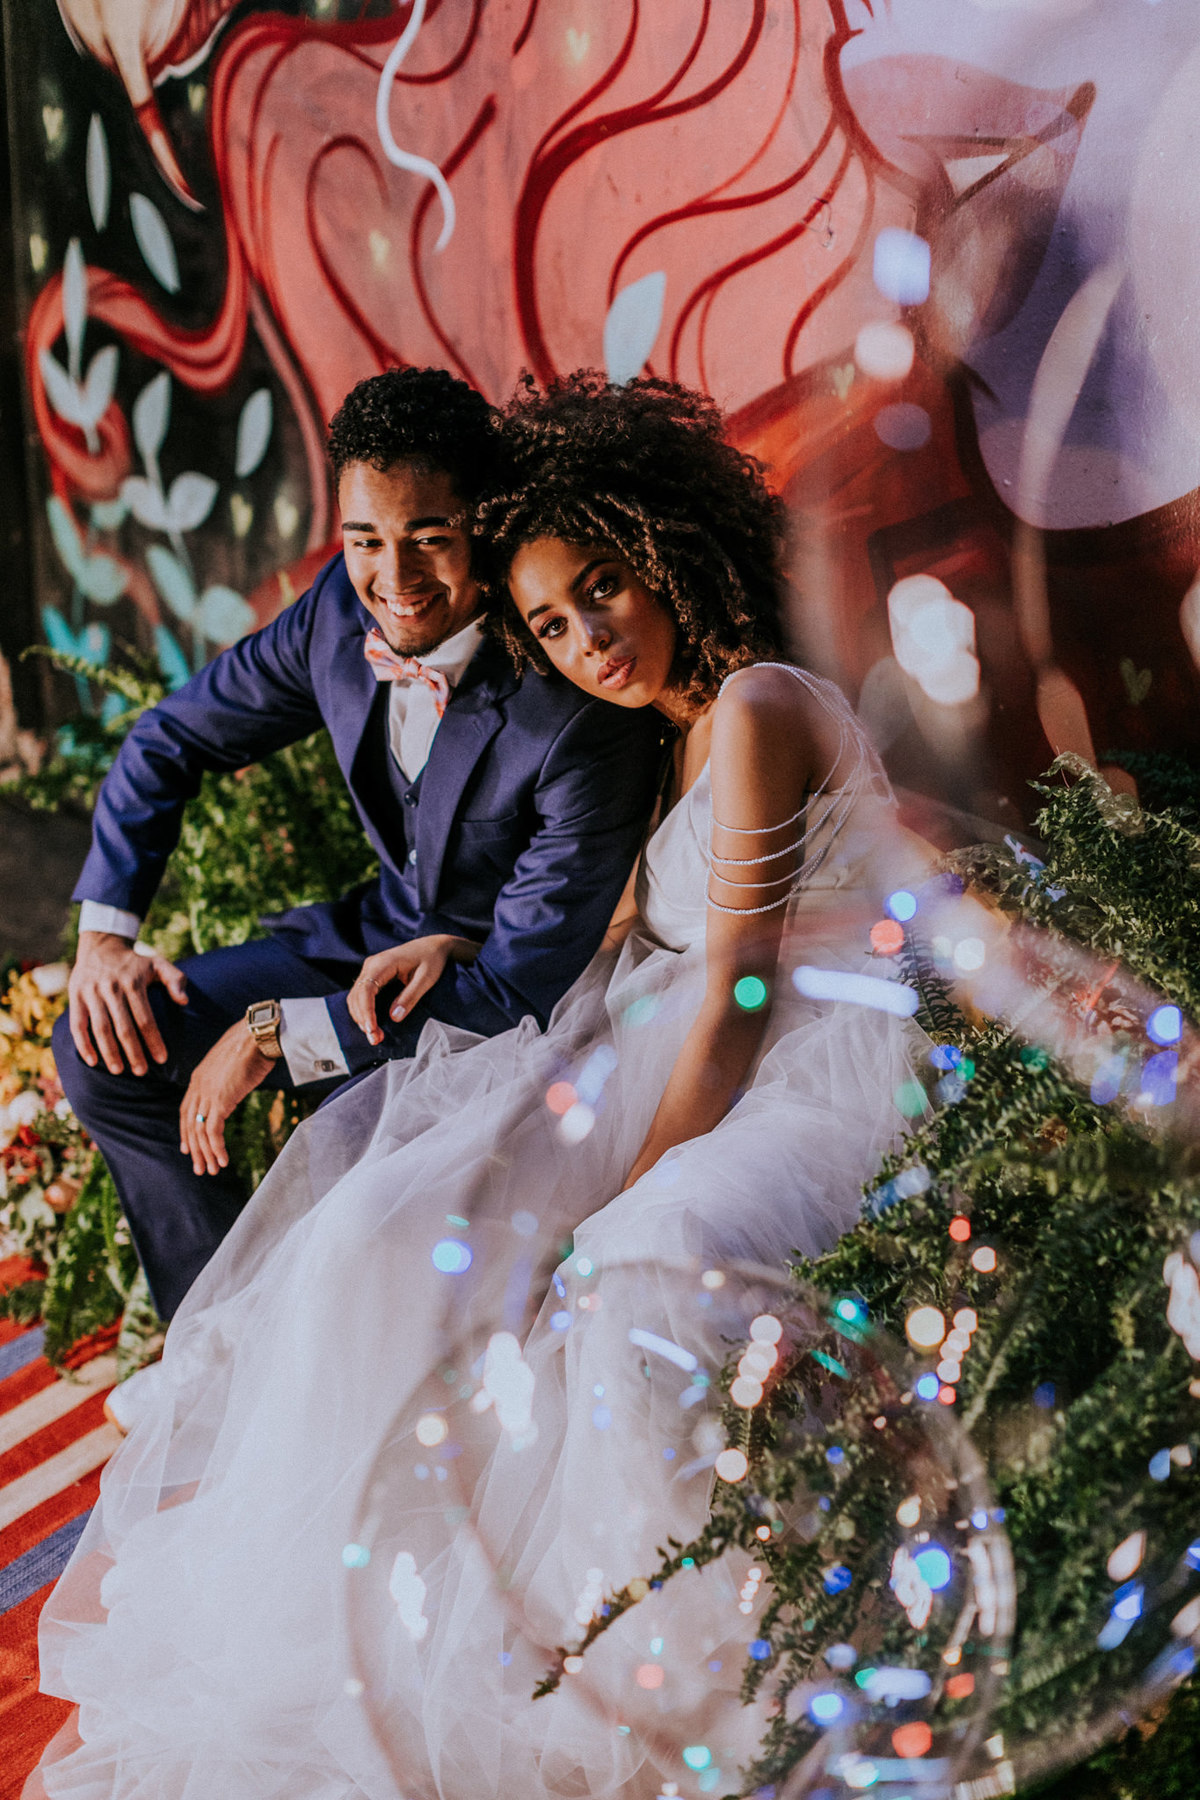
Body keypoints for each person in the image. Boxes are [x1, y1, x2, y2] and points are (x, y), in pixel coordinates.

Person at [32, 375, 923, 1800]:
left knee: (577, 1246)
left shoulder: (691, 712)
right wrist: (118, 936)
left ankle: (644, 1661)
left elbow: (729, 985)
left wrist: (615, 1178)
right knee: (325, 1193)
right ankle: (265, 1432)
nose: (581, 641)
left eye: (599, 597)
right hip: (559, 987)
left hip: (758, 1052)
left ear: (667, 550)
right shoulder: (620, 700)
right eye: (554, 622)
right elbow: (626, 918)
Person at [54, 366, 663, 1320]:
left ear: (486, 523)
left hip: (498, 1006)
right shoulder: (339, 614)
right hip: (360, 945)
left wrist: (272, 1034)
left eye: (430, 537)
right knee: (101, 1050)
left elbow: (510, 992)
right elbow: (168, 737)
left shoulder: (575, 711)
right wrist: (104, 942)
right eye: (365, 540)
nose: (395, 578)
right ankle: (217, 1334)